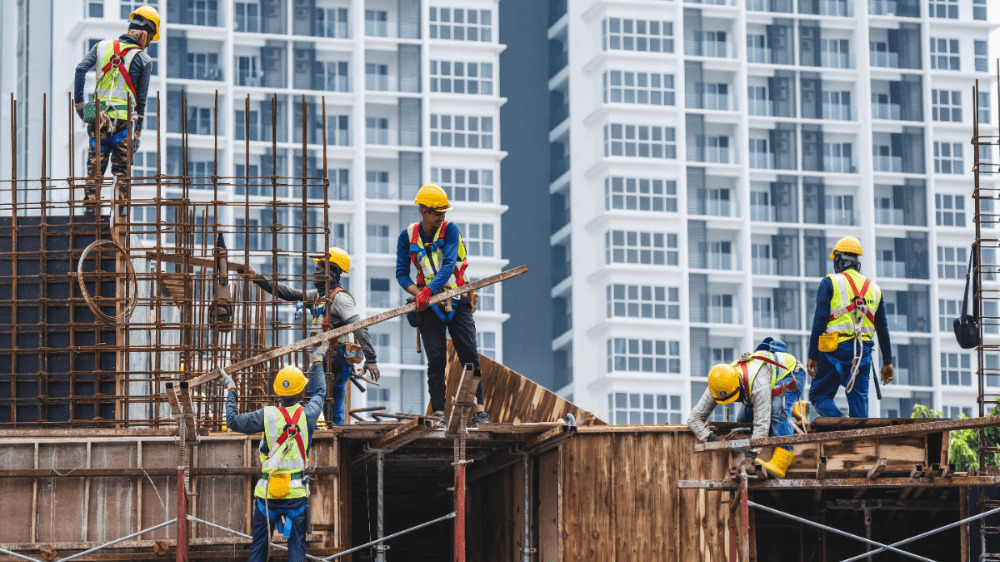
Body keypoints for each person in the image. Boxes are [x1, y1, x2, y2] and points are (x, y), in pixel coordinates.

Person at [246, 248, 379, 426]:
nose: (314, 273)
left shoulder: (340, 298)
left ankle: (326, 432)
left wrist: (371, 358)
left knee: (321, 396)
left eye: (320, 269)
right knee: (323, 399)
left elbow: (359, 327)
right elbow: (286, 292)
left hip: (336, 355)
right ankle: (324, 430)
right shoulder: (318, 297)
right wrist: (257, 278)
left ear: (332, 271)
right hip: (323, 355)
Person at [395, 184, 490, 427]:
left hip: (458, 299)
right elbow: (401, 275)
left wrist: (427, 291)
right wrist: (419, 295)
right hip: (429, 307)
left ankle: (479, 411)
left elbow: (448, 265)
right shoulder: (407, 237)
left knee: (469, 356)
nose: (442, 218)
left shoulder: (450, 230)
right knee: (436, 359)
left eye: (444, 213)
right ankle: (438, 412)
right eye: (437, 213)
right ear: (424, 211)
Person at [224, 360, 326, 562]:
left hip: (267, 495)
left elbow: (232, 421)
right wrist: (317, 362)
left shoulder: (267, 415)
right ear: (300, 392)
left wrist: (231, 389)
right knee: (297, 551)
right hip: (296, 495)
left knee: (259, 550)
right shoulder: (309, 414)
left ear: (278, 392)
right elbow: (321, 391)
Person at [73, 5, 158, 213]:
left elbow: (80, 69)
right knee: (121, 177)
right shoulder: (143, 60)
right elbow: (141, 100)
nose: (147, 46)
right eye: (149, 40)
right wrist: (137, 132)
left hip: (98, 119)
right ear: (144, 35)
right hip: (123, 124)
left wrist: (80, 105)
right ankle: (118, 223)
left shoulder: (102, 47)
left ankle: (89, 219)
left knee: (94, 174)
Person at [688, 339, 804, 478]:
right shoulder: (718, 384)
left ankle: (781, 461)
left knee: (777, 412)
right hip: (764, 382)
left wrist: (751, 458)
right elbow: (694, 419)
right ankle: (791, 409)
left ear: (738, 385)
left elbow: (762, 423)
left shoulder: (757, 384)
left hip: (791, 373)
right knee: (743, 419)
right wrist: (712, 439)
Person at [806, 236, 894, 418]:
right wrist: (887, 362)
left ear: (839, 260)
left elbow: (820, 321)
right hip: (862, 353)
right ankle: (857, 436)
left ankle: (839, 421)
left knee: (818, 394)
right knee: (859, 409)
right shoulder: (875, 290)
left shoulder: (830, 282)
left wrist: (812, 355)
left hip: (834, 349)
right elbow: (883, 329)